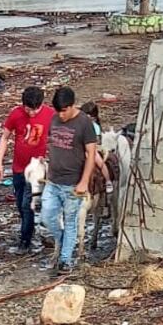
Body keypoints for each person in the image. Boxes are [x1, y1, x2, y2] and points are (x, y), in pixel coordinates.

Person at [40, 87, 98, 270]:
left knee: (71, 219)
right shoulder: (55, 119)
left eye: (64, 110)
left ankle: (65, 260)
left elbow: (91, 153)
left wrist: (84, 181)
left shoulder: (84, 123)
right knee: (47, 216)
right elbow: (52, 143)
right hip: (53, 180)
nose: (61, 115)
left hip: (73, 183)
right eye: (58, 110)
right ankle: (65, 240)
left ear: (72, 106)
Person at [0, 83, 54, 254]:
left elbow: (56, 137)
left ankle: (25, 240)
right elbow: (5, 138)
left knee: (27, 204)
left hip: (36, 169)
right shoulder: (16, 114)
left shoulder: (50, 115)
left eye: (36, 109)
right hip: (18, 167)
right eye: (29, 109)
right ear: (23, 105)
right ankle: (29, 228)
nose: (32, 113)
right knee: (20, 204)